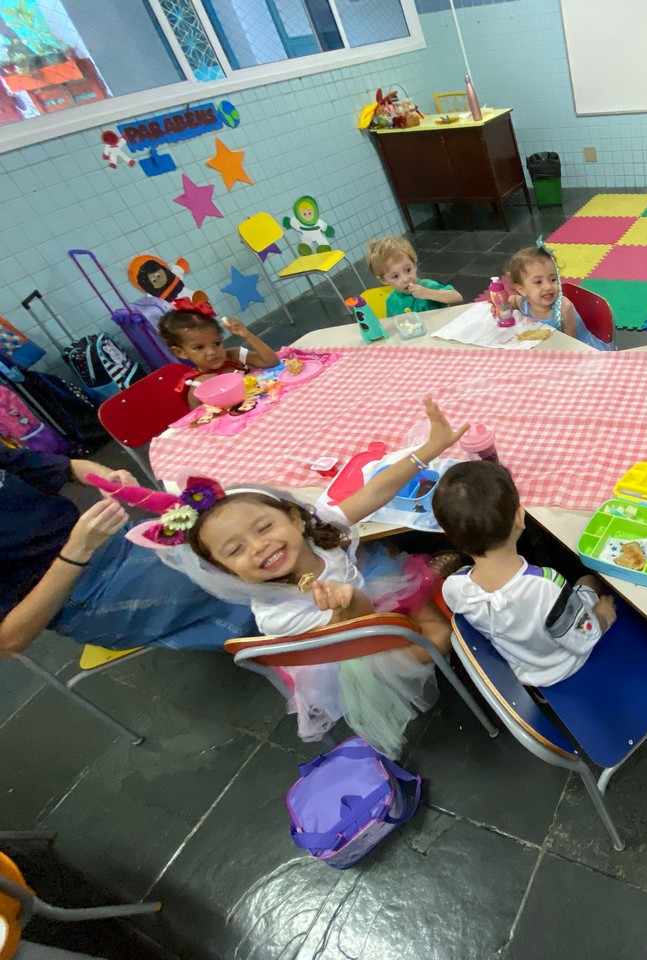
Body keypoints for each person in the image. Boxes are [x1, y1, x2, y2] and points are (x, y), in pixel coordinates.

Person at [131, 398, 467, 756]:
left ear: (294, 517)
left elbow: (374, 492)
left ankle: (421, 581)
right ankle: (427, 589)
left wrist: (429, 449)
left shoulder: (316, 528)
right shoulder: (277, 614)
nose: (259, 547)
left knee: (393, 561)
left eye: (264, 527)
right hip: (358, 642)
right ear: (226, 570)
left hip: (365, 596)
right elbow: (364, 633)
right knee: (439, 635)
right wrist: (349, 603)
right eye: (235, 549)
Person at [0, 446, 255, 656]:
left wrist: (106, 477)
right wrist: (76, 552)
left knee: (229, 524)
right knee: (221, 566)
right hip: (79, 596)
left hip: (105, 541)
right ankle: (268, 632)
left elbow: (63, 466)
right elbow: (9, 641)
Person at [433, 460, 617, 686]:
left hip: (521, 668)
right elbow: (584, 639)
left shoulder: (453, 587)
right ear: (520, 517)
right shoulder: (548, 586)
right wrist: (602, 617)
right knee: (588, 580)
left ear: (451, 537)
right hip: (563, 666)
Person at [157, 298, 280, 408]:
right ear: (180, 352)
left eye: (216, 343)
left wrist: (247, 335)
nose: (212, 352)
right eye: (199, 347)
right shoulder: (197, 388)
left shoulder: (234, 356)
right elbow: (204, 420)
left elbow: (271, 361)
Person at [504, 241, 609, 350]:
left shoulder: (564, 308)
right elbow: (512, 300)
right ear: (521, 290)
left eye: (553, 279)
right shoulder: (524, 304)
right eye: (538, 282)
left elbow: (570, 345)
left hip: (580, 349)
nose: (548, 286)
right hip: (547, 347)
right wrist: (501, 305)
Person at [366, 236, 463, 316]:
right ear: (383, 280)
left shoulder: (428, 286)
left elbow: (457, 298)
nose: (406, 279)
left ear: (414, 265)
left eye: (408, 270)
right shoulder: (391, 301)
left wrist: (427, 293)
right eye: (395, 276)